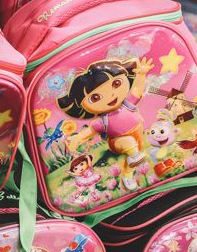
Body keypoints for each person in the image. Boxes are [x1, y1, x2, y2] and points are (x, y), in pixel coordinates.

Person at [60, 58, 153, 191]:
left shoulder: (127, 104)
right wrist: (77, 138)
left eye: (116, 83)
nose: (111, 95)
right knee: (130, 145)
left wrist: (141, 74)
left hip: (137, 133)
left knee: (135, 154)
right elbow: (90, 131)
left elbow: (137, 89)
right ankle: (133, 158)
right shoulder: (103, 120)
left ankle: (127, 175)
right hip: (118, 141)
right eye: (95, 98)